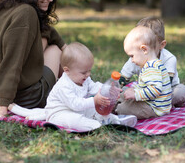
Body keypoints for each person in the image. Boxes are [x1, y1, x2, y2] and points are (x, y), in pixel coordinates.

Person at [8, 42, 137, 131]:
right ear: (67, 70)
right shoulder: (64, 86)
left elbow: (93, 86)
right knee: (74, 119)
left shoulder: (83, 78)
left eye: (89, 71)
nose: (88, 75)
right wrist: (94, 100)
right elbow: (75, 104)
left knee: (93, 110)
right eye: (84, 72)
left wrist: (107, 89)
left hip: (78, 109)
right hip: (59, 113)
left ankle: (115, 120)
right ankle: (95, 125)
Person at [119, 16, 185, 107]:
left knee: (181, 91)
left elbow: (165, 85)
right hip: (145, 91)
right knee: (123, 91)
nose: (145, 49)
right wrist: (119, 89)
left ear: (162, 45)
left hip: (166, 92)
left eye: (151, 44)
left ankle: (154, 104)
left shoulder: (169, 59)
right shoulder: (135, 58)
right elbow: (123, 78)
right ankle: (142, 102)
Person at [115, 26, 172, 119]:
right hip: (151, 102)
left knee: (123, 109)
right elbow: (146, 86)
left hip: (155, 108)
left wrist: (136, 94)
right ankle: (115, 103)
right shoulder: (153, 63)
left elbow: (155, 90)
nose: (132, 60)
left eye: (132, 56)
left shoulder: (151, 68)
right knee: (124, 93)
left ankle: (115, 108)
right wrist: (134, 90)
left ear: (144, 49)